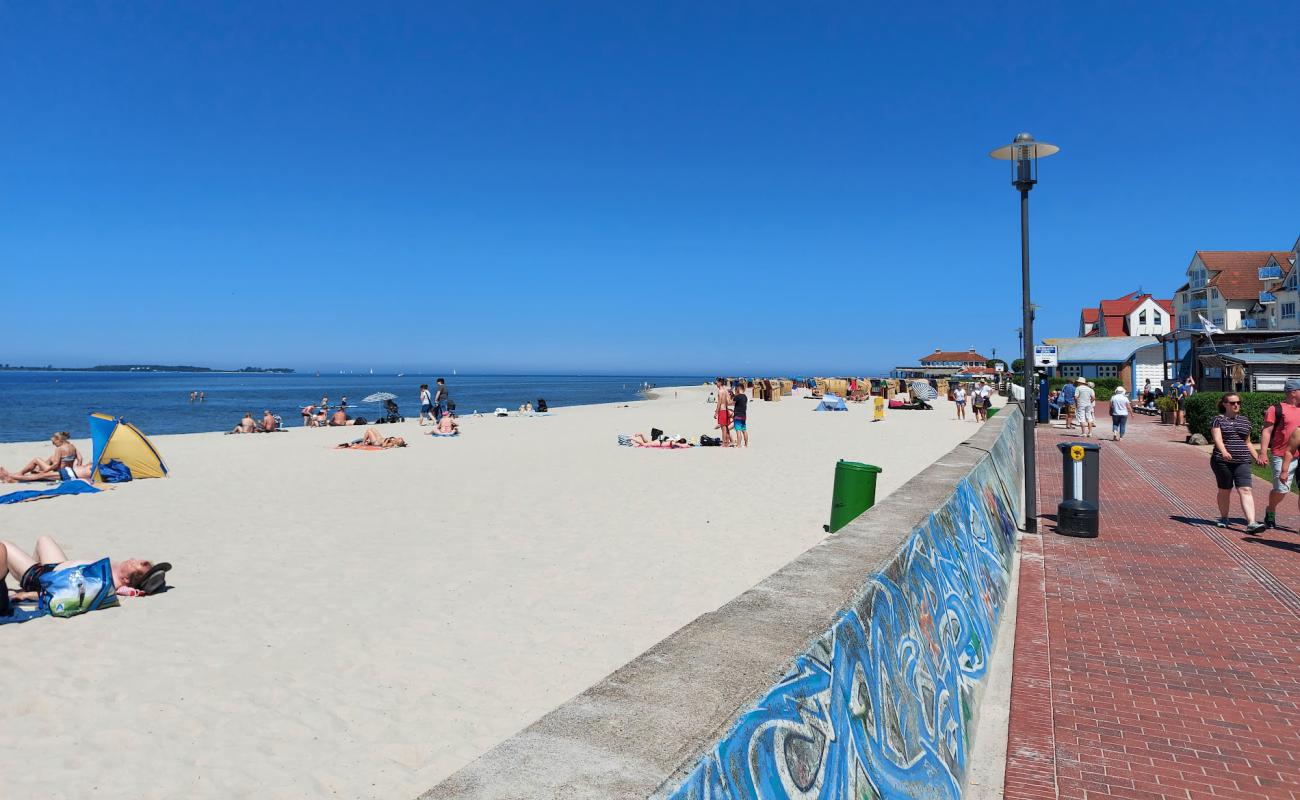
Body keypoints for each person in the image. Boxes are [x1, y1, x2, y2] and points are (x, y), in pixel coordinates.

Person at [2, 535, 170, 602]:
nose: (133, 559)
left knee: (4, 547)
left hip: (43, 578)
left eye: (136, 563)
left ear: (127, 579)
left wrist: (28, 595)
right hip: (57, 566)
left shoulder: (105, 582)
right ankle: (22, 572)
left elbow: (70, 593)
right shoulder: (118, 575)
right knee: (43, 540)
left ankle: (26, 579)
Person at [1209, 393, 1267, 533]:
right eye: (1233, 403)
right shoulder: (1218, 420)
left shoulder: (1245, 421)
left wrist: (1257, 457)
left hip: (1243, 461)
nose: (1236, 405)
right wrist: (1224, 452)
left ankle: (1251, 523)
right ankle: (1224, 518)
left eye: (1238, 402)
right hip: (1222, 461)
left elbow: (1247, 442)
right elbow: (1218, 439)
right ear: (1225, 404)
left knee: (1245, 489)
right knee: (1225, 490)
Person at [1260, 377, 1300, 528]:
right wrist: (1263, 453)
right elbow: (1267, 431)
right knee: (1281, 490)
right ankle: (1271, 509)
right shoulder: (1276, 409)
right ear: (1294, 392)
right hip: (1281, 454)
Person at [2, 431, 81, 480]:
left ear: (59, 440)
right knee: (52, 457)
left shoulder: (60, 449)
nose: (54, 444)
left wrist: (44, 472)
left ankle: (20, 474)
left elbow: (56, 464)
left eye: (54, 442)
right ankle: (36, 469)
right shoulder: (72, 446)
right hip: (68, 470)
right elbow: (80, 459)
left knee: (36, 459)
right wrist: (77, 468)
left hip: (60, 472)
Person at [337, 427, 406, 449]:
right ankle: (364, 441)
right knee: (372, 428)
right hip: (380, 438)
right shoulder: (394, 440)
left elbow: (384, 446)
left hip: (376, 442)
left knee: (368, 431)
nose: (399, 438)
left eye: (399, 439)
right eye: (400, 438)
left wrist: (388, 440)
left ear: (398, 442)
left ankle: (363, 443)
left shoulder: (392, 444)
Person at [714, 378, 733, 447]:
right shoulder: (725, 390)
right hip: (726, 410)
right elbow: (729, 401)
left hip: (722, 410)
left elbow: (719, 403)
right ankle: (727, 442)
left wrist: (716, 412)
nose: (716, 384)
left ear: (720, 383)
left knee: (723, 428)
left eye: (716, 382)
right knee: (726, 427)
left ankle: (724, 443)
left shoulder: (720, 391)